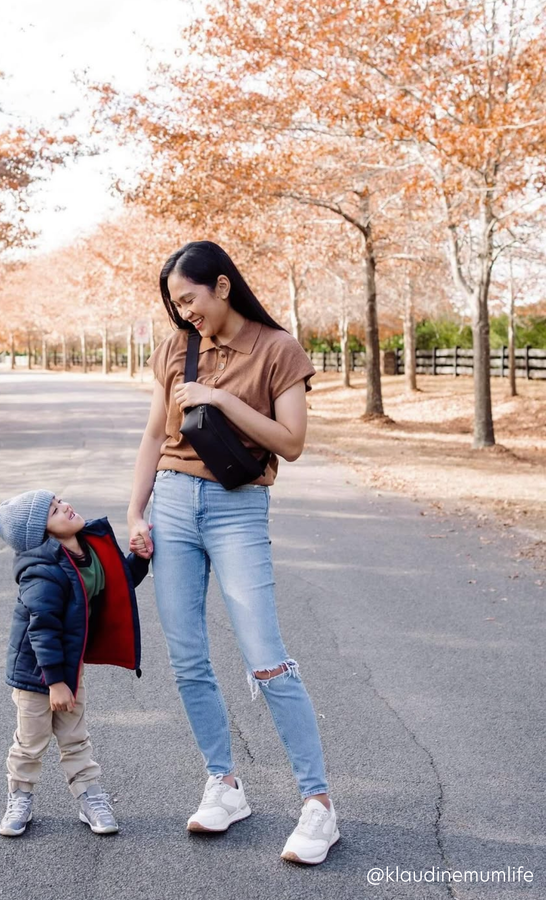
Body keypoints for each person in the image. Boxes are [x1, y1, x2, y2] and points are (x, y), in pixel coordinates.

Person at [127, 240, 339, 865]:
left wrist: (220, 399)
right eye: (174, 303)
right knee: (188, 657)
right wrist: (136, 511)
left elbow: (292, 442)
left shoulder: (279, 349)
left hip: (237, 508)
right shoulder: (174, 348)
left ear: (222, 286)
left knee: (265, 656)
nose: (182, 311)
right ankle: (223, 783)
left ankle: (319, 805)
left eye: (188, 298)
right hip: (170, 501)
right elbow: (151, 435)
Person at [0, 491, 148, 837]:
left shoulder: (86, 549)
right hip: (38, 674)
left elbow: (116, 582)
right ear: (42, 534)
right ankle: (20, 796)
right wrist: (55, 682)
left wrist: (138, 560)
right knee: (31, 742)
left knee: (75, 737)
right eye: (54, 510)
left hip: (68, 668)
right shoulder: (41, 570)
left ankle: (90, 797)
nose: (65, 506)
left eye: (59, 500)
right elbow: (43, 629)